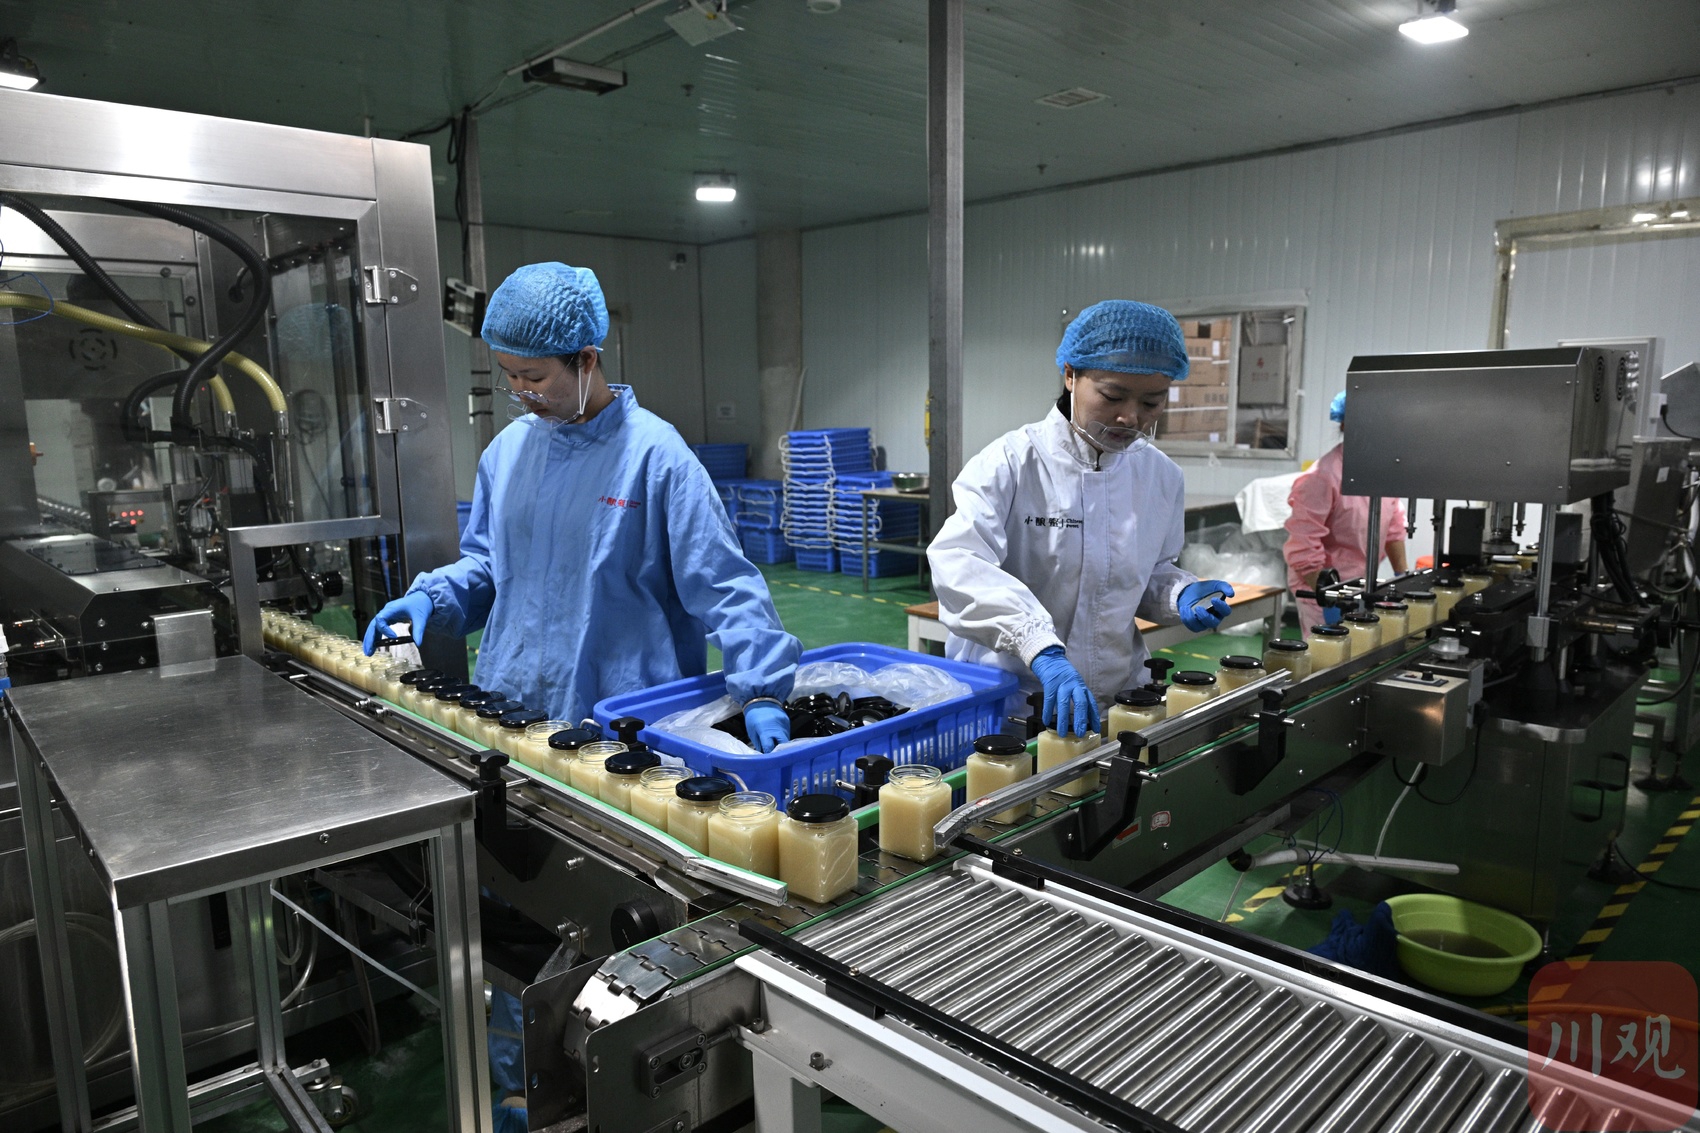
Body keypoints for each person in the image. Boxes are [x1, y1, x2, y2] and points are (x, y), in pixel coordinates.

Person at [363, 261, 800, 748]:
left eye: (534, 376)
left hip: (623, 723)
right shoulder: (508, 452)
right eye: (510, 375)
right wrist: (434, 596)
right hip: (512, 711)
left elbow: (723, 584)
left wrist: (761, 691)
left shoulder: (656, 457)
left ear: (587, 360)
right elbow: (492, 565)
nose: (522, 392)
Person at [928, 300, 1237, 737]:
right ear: (1070, 375)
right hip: (1013, 700)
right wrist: (1040, 648)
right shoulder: (1011, 463)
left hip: (1119, 699)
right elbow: (960, 564)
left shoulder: (1161, 476)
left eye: (1152, 402)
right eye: (1112, 396)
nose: (1130, 417)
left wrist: (1178, 593)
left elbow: (1143, 575)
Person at [1283, 391, 1408, 634]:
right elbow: (1303, 545)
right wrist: (1330, 597)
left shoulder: (1380, 472)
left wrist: (1402, 578)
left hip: (1360, 586)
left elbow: (1394, 527)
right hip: (1321, 593)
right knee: (1327, 653)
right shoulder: (1323, 476)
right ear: (1345, 426)